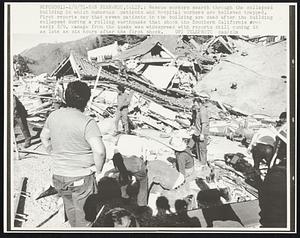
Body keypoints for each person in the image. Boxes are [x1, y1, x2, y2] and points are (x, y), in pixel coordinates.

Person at [40, 80, 106, 227]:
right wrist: (99, 169)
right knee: (85, 217)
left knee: (70, 208)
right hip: (80, 177)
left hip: (59, 176)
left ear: (65, 97)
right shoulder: (87, 122)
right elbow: (100, 152)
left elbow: (44, 137)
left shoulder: (53, 116)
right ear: (87, 100)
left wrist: (52, 151)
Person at [189, 95, 210, 166]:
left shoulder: (203, 111)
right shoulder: (198, 110)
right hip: (198, 132)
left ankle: (203, 164)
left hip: (202, 133)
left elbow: (204, 124)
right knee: (198, 148)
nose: (195, 106)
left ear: (199, 103)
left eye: (195, 104)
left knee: (202, 150)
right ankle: (199, 162)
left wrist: (202, 134)